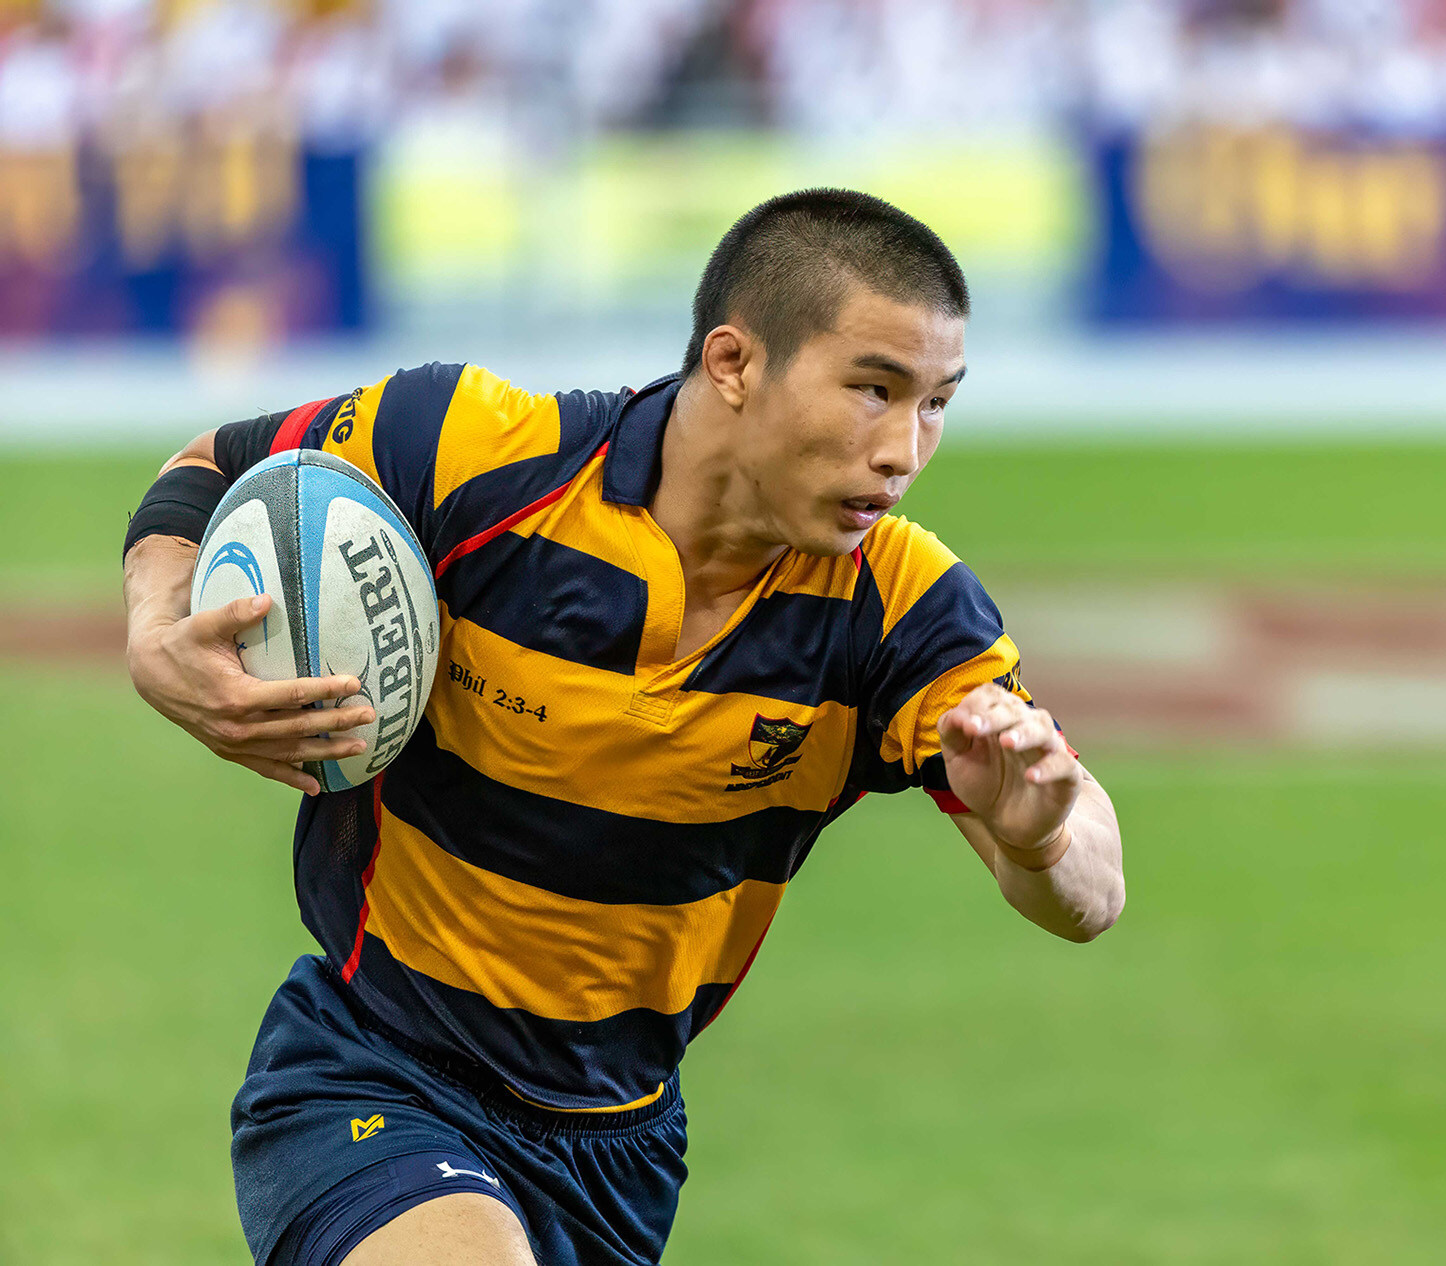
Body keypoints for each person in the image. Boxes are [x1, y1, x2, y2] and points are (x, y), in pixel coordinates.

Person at [120, 188, 1126, 1266]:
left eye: (934, 403)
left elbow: (1092, 892)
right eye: (871, 390)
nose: (902, 449)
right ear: (735, 363)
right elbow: (219, 464)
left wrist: (1036, 834)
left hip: (622, 1145)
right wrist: (155, 632)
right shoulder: (476, 453)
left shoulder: (900, 609)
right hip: (374, 1070)